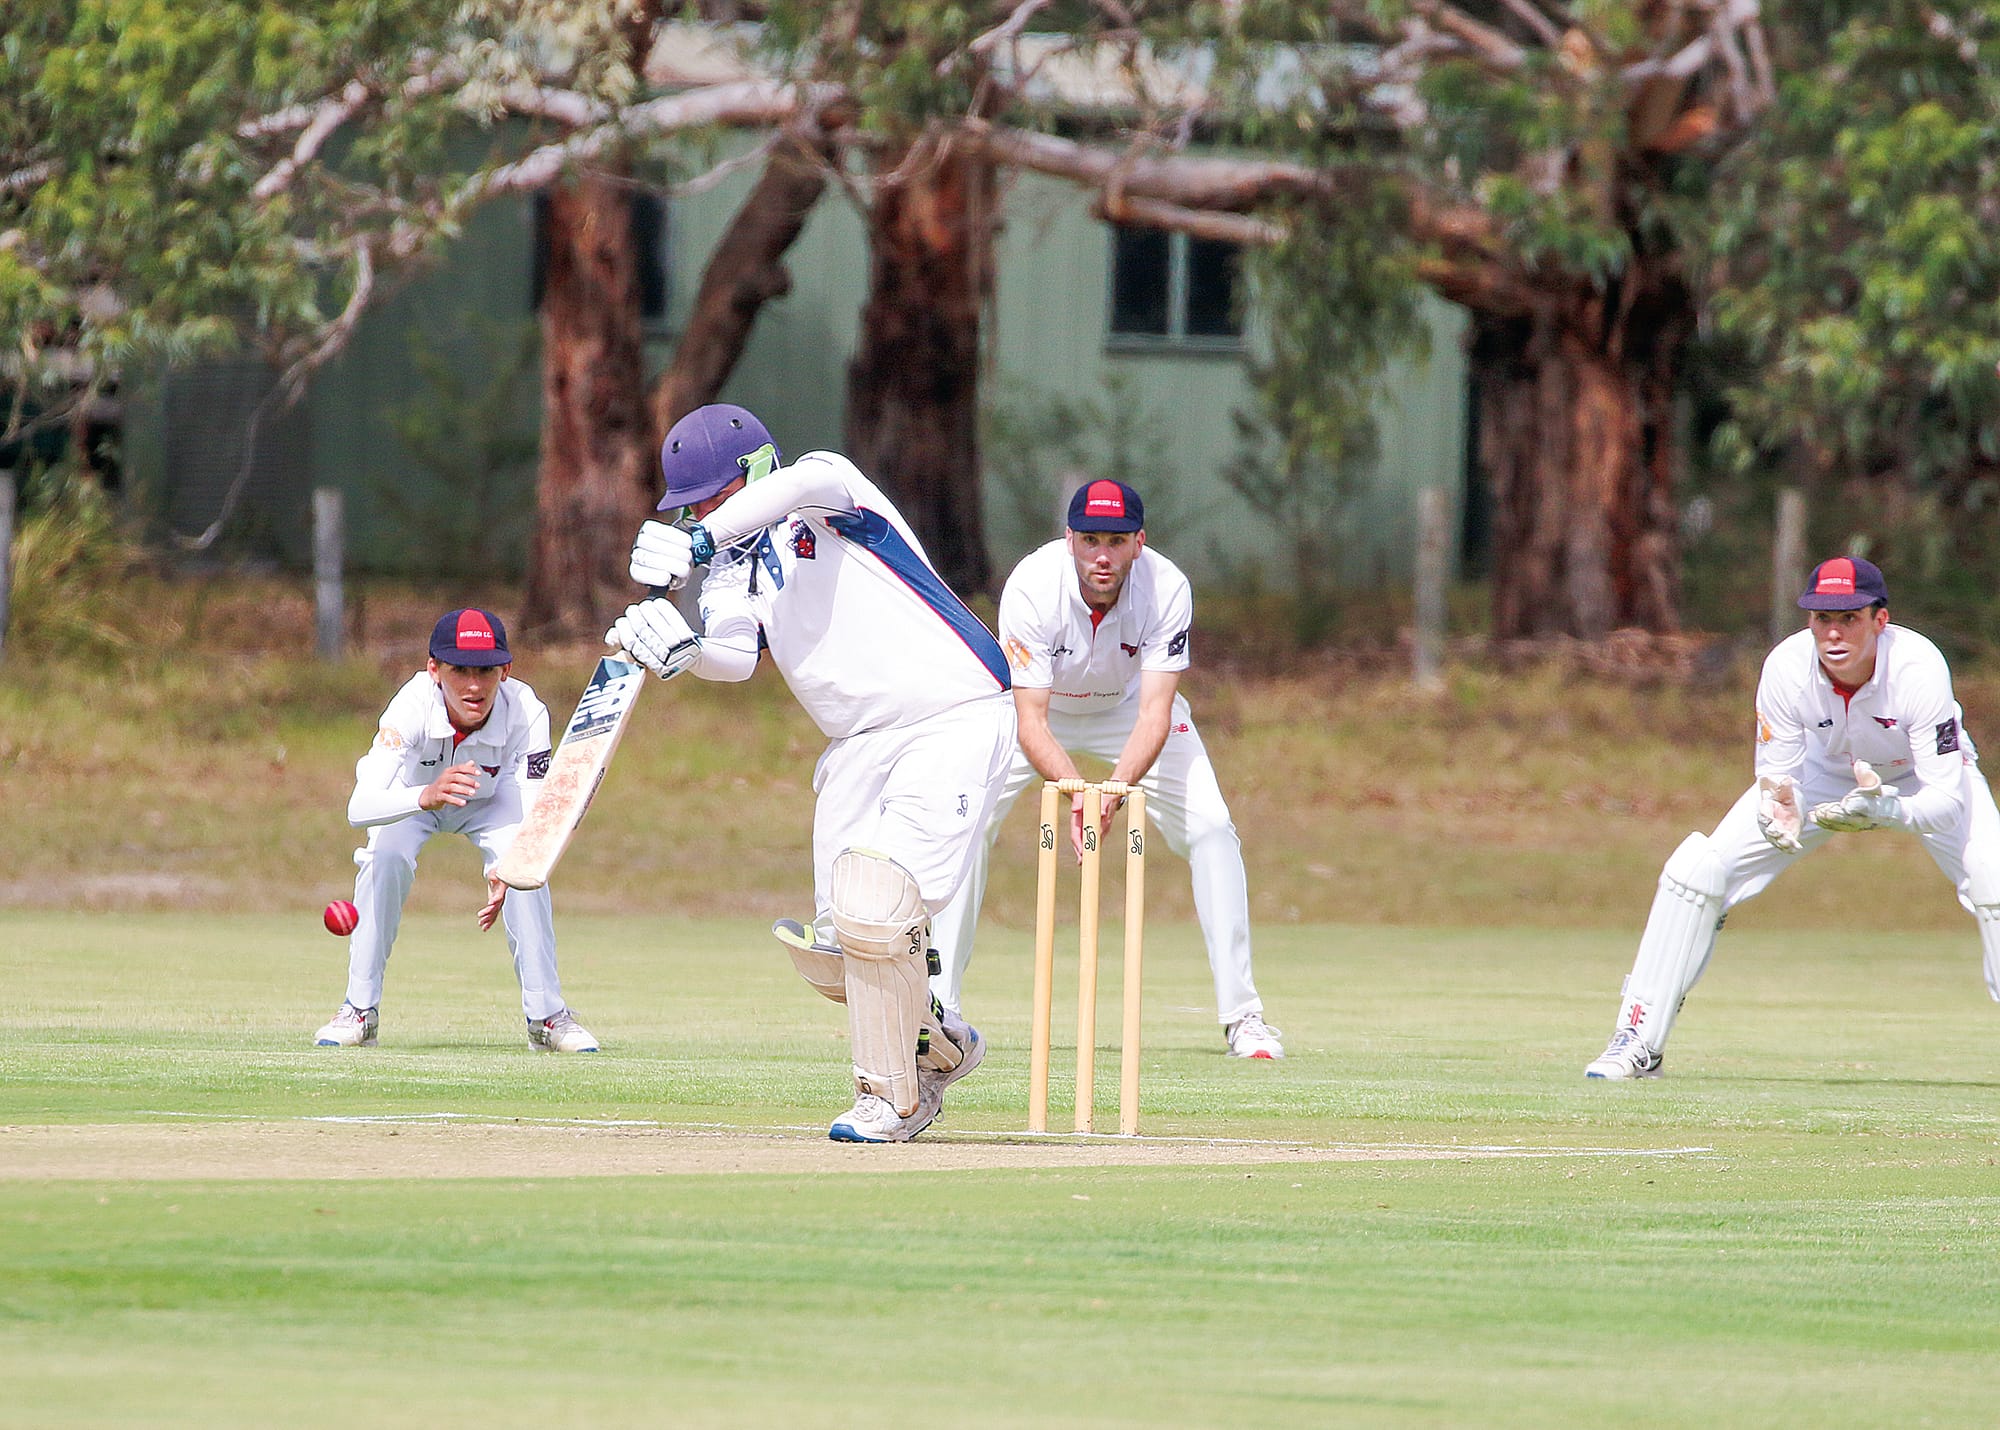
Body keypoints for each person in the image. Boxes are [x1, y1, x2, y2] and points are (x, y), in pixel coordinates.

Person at [606, 404, 1016, 1142]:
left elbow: (794, 487)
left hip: (951, 710)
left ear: (751, 471)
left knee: (877, 908)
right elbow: (736, 653)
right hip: (856, 744)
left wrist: (697, 539)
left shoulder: (827, 488)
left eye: (708, 496)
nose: (698, 512)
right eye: (688, 505)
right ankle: (941, 1044)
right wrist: (688, 654)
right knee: (837, 948)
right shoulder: (731, 572)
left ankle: (893, 1098)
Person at [1586, 555, 2000, 1079]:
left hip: (1917, 775)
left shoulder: (1919, 668)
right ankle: (1638, 1039)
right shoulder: (1786, 666)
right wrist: (1779, 812)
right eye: (1823, 618)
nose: (1834, 632)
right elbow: (1777, 777)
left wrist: (1887, 810)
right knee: (1699, 869)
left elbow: (1947, 800)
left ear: (1880, 620)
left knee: (1992, 874)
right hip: (1820, 775)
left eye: (1850, 617)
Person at [928, 479, 1284, 1059]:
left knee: (1214, 828)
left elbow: (1155, 713)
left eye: (1115, 541)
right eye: (1090, 538)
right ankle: (941, 1008)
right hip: (1038, 712)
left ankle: (1243, 1018)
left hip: (1128, 712)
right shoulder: (1032, 586)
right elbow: (1031, 721)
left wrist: (1113, 791)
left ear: (1138, 543)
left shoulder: (1166, 588)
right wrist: (1075, 794)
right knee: (966, 829)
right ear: (1068, 539)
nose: (1102, 554)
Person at [312, 608, 598, 1053]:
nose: (473, 686)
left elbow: (532, 805)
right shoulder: (409, 707)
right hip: (415, 799)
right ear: (433, 670)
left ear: (505, 670)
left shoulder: (526, 709)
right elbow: (359, 808)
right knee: (385, 855)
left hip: (493, 803)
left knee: (528, 875)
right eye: (459, 670)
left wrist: (509, 865)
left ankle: (546, 1017)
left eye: (485, 671)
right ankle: (359, 1010)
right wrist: (424, 796)